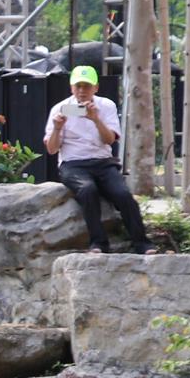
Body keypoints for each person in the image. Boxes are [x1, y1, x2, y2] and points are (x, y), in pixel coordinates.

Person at [45, 64, 154, 255]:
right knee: (88, 190)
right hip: (73, 163)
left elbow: (110, 140)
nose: (82, 91)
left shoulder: (106, 106)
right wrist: (57, 128)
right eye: (78, 86)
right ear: (71, 88)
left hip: (103, 162)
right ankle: (98, 243)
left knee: (123, 195)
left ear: (95, 88)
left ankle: (142, 243)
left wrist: (96, 119)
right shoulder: (60, 109)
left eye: (87, 86)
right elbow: (52, 149)